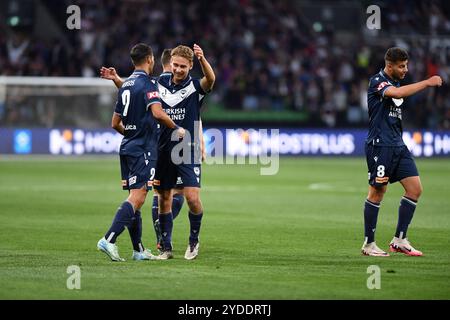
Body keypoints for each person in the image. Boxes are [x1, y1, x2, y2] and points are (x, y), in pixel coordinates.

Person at [100, 47, 207, 254]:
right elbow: (138, 93)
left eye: (181, 66)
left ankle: (192, 240)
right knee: (161, 196)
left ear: (190, 66)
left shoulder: (193, 86)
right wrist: (117, 80)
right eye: (173, 66)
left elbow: (209, 81)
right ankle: (163, 246)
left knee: (189, 197)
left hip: (185, 148)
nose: (175, 70)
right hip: (160, 148)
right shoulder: (156, 83)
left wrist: (198, 142)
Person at [361, 47, 442, 257]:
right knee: (377, 192)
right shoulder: (377, 81)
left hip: (398, 144)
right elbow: (396, 94)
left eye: (406, 65)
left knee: (415, 189)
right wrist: (426, 82)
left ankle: (399, 240)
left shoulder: (396, 82)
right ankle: (369, 244)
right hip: (380, 145)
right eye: (401, 66)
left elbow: (398, 92)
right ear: (389, 65)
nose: (406, 69)